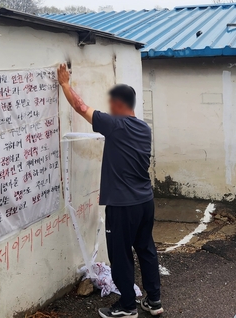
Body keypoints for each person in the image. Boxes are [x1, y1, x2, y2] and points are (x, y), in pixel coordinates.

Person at [57, 63, 164, 318]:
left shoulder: (115, 126)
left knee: (121, 254)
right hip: (145, 201)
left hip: (122, 205)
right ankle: (154, 300)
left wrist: (64, 84)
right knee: (146, 248)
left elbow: (80, 107)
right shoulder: (144, 129)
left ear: (118, 104)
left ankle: (127, 305)